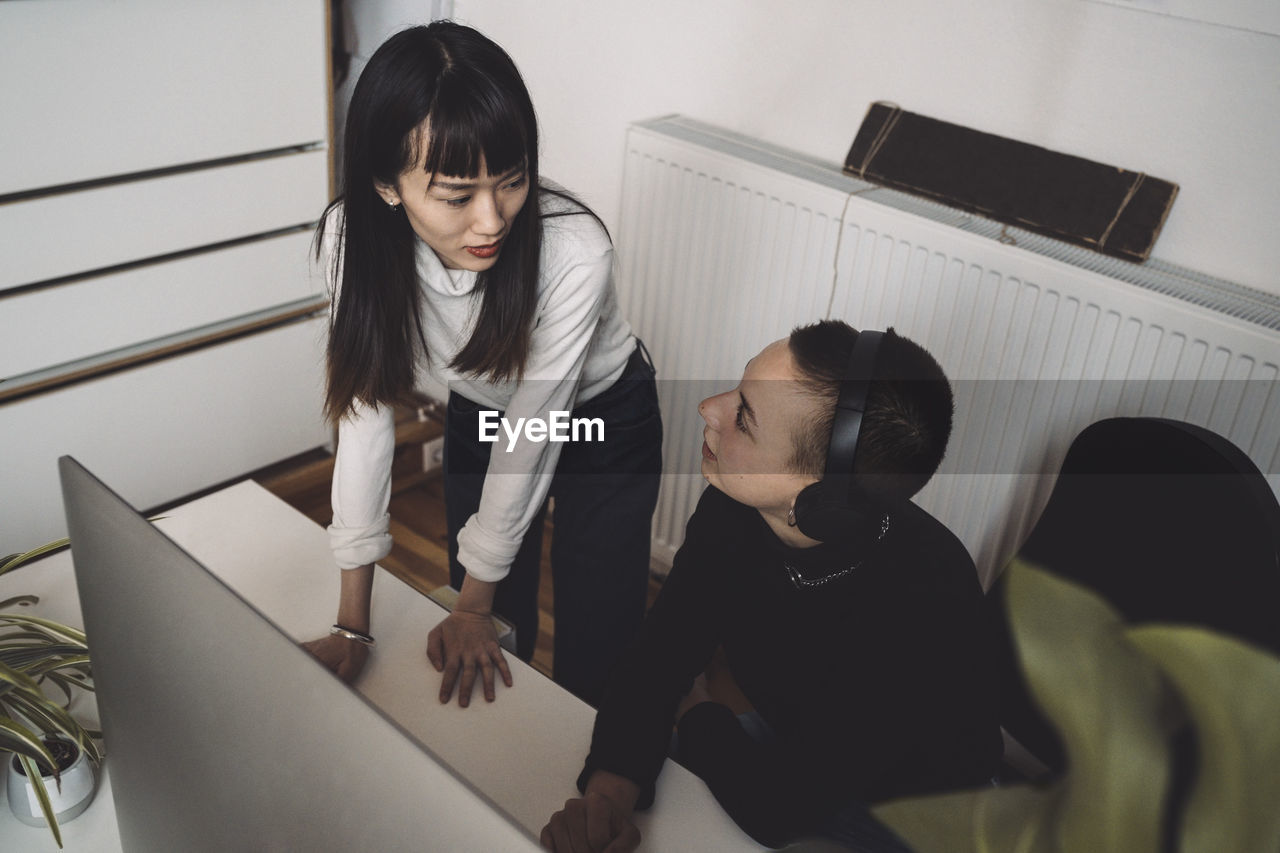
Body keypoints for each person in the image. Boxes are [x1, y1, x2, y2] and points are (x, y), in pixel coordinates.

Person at [302, 22, 661, 708]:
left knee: (597, 633)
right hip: (484, 407)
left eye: (513, 180)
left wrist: (468, 608)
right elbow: (364, 415)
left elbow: (538, 425)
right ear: (386, 183)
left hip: (602, 421)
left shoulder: (573, 251)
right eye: (457, 195)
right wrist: (353, 624)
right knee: (496, 619)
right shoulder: (351, 241)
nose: (492, 220)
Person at [541, 321, 1002, 852]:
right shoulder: (734, 508)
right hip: (803, 754)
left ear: (820, 503)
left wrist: (697, 713)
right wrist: (609, 793)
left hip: (918, 816)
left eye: (744, 418)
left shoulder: (923, 600)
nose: (709, 408)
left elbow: (784, 810)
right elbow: (661, 655)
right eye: (739, 389)